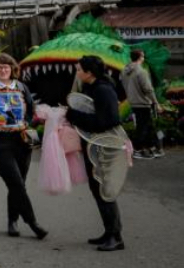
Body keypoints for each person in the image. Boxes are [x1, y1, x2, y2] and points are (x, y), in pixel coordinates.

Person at [0, 53, 48, 239]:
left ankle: (12, 221)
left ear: (12, 69)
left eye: (6, 67)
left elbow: (30, 109)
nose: (3, 70)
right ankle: (33, 223)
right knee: (15, 182)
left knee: (18, 183)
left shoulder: (21, 87)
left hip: (21, 141)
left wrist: (25, 123)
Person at [67, 55, 129, 252]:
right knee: (97, 189)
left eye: (79, 70)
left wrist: (73, 115)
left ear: (89, 73)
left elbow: (107, 121)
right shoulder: (92, 88)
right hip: (94, 145)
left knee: (105, 190)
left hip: (105, 147)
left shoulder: (103, 90)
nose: (77, 73)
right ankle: (109, 230)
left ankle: (116, 236)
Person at [120, 50, 161, 159]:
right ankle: (137, 149)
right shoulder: (141, 71)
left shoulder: (124, 71)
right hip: (143, 103)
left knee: (147, 125)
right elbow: (148, 89)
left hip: (133, 102)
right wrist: (156, 102)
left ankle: (154, 148)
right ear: (140, 57)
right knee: (143, 127)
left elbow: (123, 85)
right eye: (143, 56)